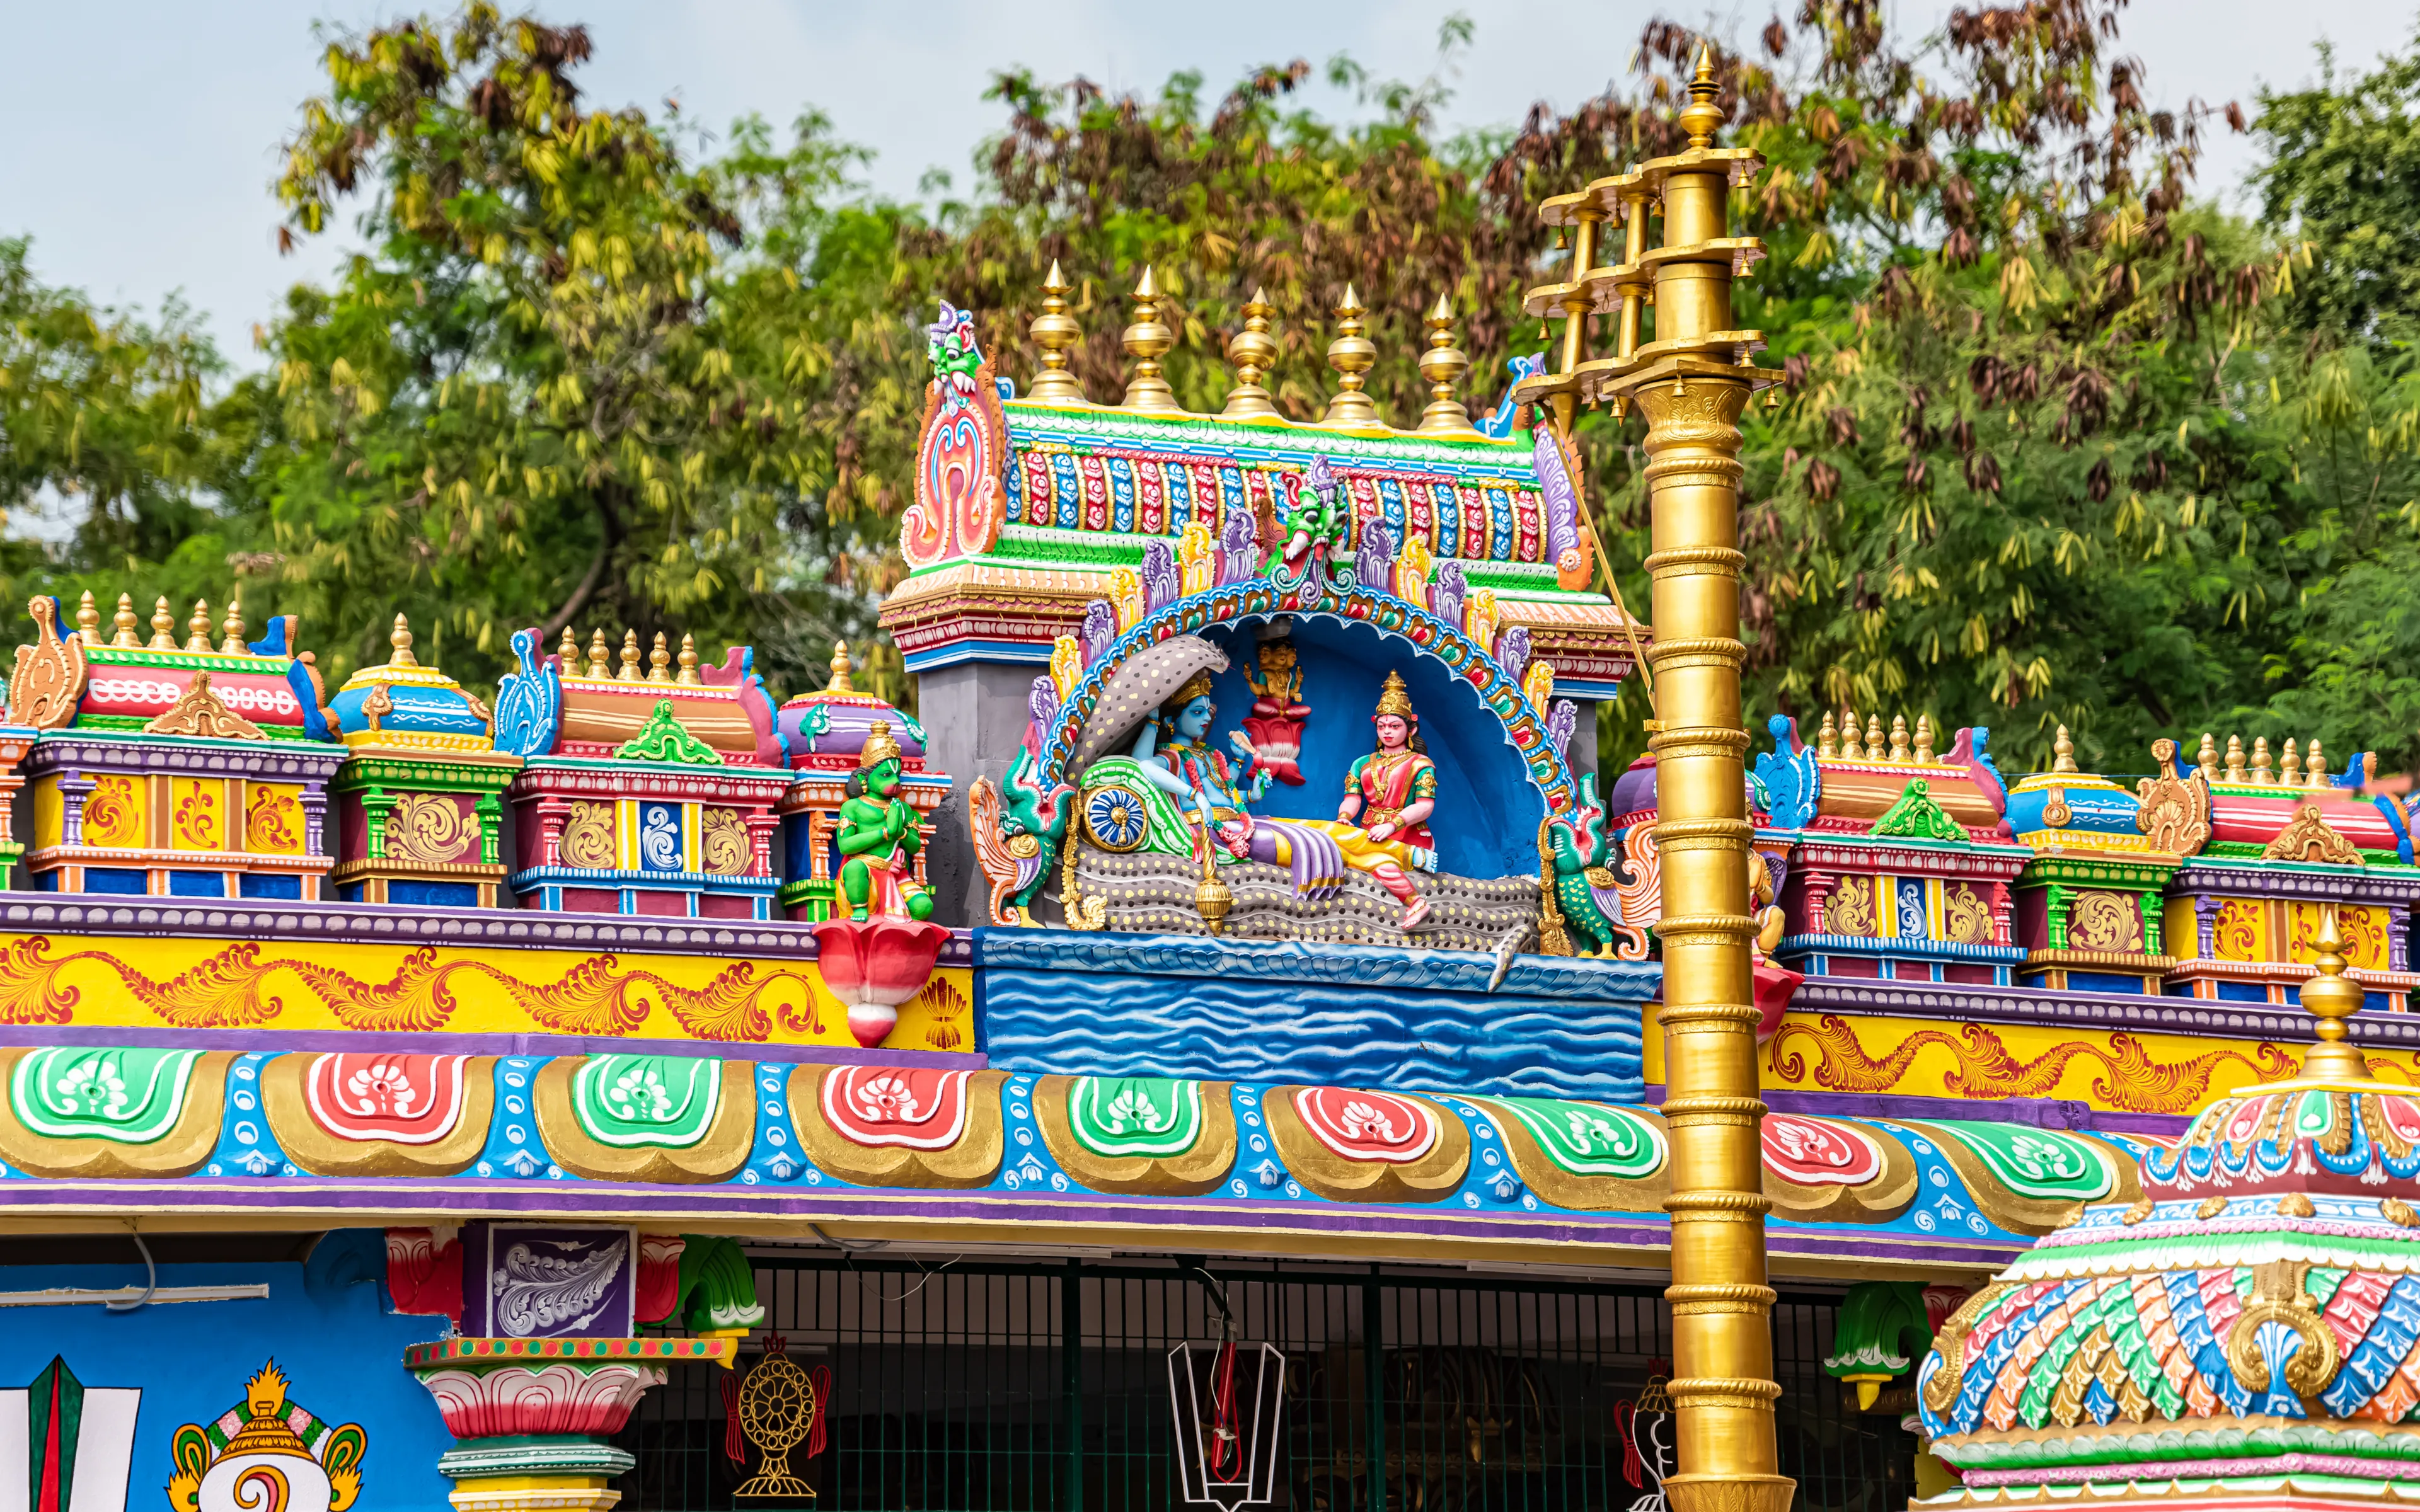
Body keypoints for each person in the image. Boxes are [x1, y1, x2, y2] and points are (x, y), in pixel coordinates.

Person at [836, 722, 933, 920]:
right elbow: (845, 846)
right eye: (886, 775)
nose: (895, 782)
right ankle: (861, 909)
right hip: (865, 873)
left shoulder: (903, 808)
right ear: (865, 778)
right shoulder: (853, 806)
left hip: (898, 875)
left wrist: (902, 834)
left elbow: (915, 847)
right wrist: (885, 833)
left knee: (924, 907)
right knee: (854, 868)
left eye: (897, 775)